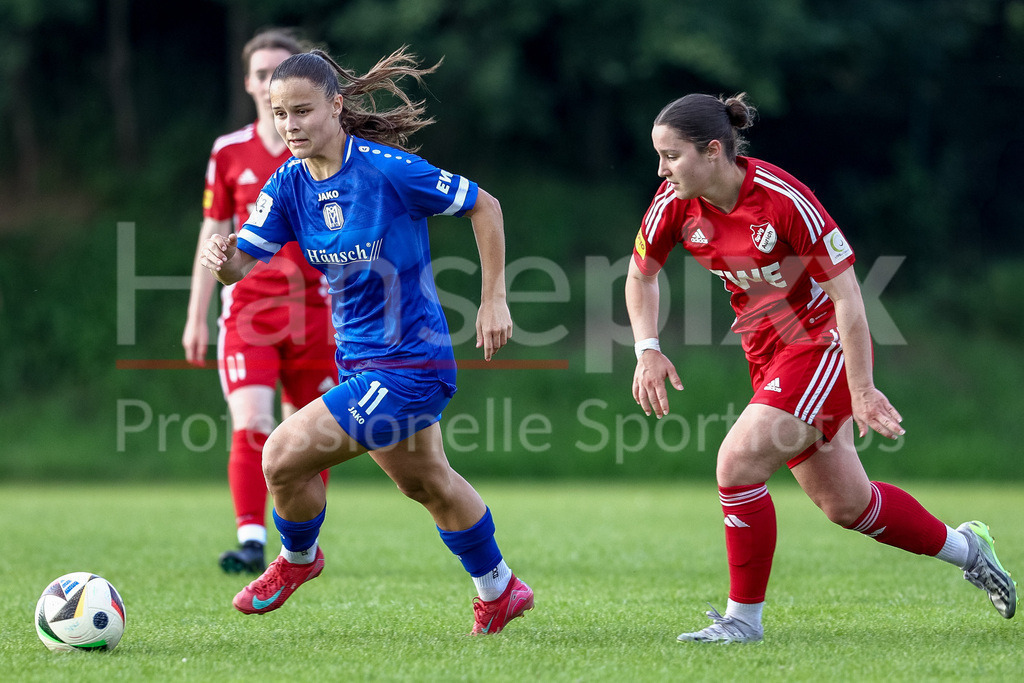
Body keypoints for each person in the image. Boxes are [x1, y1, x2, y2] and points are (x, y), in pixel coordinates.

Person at [627, 93, 1017, 643]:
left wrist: (861, 388)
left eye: (671, 156)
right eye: (659, 157)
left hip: (819, 345)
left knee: (736, 464)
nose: (661, 170)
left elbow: (850, 299)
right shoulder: (674, 202)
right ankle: (969, 549)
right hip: (766, 354)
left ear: (713, 151)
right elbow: (641, 275)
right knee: (848, 505)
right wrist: (647, 348)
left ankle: (744, 621)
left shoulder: (784, 200)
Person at [200, 46, 534, 635]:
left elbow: (486, 205)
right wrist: (222, 259)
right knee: (427, 482)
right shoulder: (289, 185)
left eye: (303, 111)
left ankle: (298, 560)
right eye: (281, 114)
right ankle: (500, 588)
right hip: (361, 362)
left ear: (336, 104)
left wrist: (492, 299)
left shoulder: (386, 170)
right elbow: (241, 266)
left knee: (279, 457)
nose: (291, 126)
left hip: (412, 365)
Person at [183, 29, 335, 576]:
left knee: (315, 434)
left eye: (282, 70)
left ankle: (299, 544)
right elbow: (214, 234)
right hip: (247, 311)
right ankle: (250, 538)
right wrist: (196, 313)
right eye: (264, 71)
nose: (272, 79)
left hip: (319, 312)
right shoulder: (229, 153)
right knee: (252, 420)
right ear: (250, 82)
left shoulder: (325, 148)